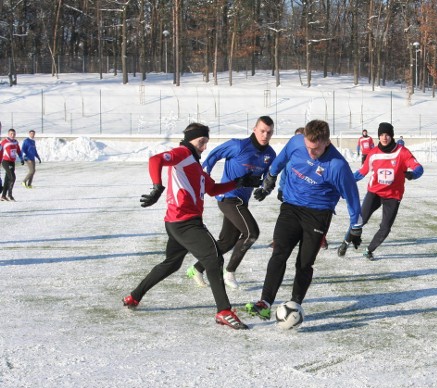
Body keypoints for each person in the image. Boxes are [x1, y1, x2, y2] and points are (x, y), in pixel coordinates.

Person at [122, 122, 262, 330]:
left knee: (172, 263)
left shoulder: (195, 166)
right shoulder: (182, 153)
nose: (204, 147)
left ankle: (134, 297)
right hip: (185, 222)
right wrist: (157, 187)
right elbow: (155, 160)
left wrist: (239, 182)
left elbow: (213, 189)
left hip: (177, 222)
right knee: (214, 258)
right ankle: (224, 311)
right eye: (201, 142)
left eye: (206, 142)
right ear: (190, 139)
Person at [246, 119, 363, 321]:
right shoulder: (296, 142)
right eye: (308, 147)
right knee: (279, 252)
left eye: (315, 149)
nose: (311, 153)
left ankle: (295, 304)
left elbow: (352, 197)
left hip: (318, 215)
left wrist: (356, 228)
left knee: (304, 263)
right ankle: (264, 302)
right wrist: (269, 182)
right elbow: (280, 161)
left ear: (327, 142)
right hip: (291, 207)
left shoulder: (338, 166)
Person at [186, 116, 277, 289]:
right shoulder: (238, 145)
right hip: (228, 197)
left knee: (227, 241)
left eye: (269, 132)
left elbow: (269, 177)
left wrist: (265, 189)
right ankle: (230, 272)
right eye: (262, 130)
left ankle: (197, 268)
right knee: (251, 233)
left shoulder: (270, 154)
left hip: (243, 201)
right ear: (254, 129)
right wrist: (204, 176)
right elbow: (214, 155)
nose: (265, 135)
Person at [338, 122, 423, 260]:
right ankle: (345, 242)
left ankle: (369, 250)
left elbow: (418, 167)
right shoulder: (373, 154)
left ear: (392, 136)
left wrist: (413, 174)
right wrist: (346, 181)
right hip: (374, 193)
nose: (384, 137)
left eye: (387, 134)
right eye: (382, 134)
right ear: (378, 136)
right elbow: (361, 172)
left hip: (393, 196)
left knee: (385, 227)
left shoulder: (402, 152)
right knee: (359, 220)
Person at [1, 128, 24, 201]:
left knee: (7, 179)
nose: (13, 135)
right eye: (11, 134)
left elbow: (19, 151)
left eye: (14, 134)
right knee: (12, 177)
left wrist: (21, 158)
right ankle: (10, 195)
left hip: (12, 162)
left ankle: (3, 196)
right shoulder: (4, 142)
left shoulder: (15, 142)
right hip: (5, 161)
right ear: (8, 134)